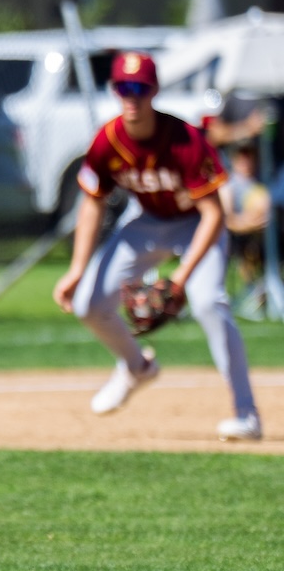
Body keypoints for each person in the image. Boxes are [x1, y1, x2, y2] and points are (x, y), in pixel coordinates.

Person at [53, 52, 261, 442]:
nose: (132, 96)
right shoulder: (107, 140)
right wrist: (77, 269)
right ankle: (137, 367)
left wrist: (180, 280)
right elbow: (93, 203)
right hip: (147, 221)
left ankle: (246, 414)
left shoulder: (184, 139)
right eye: (123, 87)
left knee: (209, 303)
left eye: (140, 88)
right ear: (114, 90)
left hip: (195, 225)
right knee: (87, 305)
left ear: (154, 91)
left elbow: (213, 214)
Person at [220, 143, 271, 287]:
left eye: (249, 157)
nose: (246, 162)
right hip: (241, 237)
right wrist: (247, 223)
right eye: (241, 158)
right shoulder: (228, 183)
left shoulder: (263, 178)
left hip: (266, 234)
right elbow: (227, 219)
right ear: (233, 160)